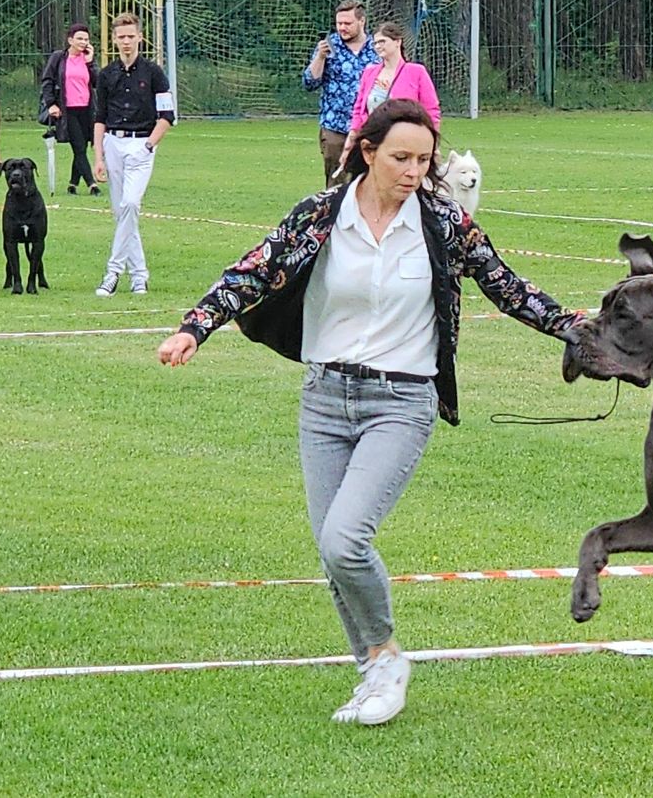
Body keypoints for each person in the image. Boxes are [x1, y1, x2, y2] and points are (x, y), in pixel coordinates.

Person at [156, 99, 584, 726]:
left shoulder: (442, 222)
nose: (414, 171)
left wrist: (577, 329)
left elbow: (508, 287)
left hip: (403, 400)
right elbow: (251, 272)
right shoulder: (320, 216)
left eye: (424, 160)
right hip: (325, 399)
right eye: (401, 158)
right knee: (334, 555)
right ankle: (374, 671)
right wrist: (195, 328)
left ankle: (385, 657)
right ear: (367, 152)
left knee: (344, 539)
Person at [92, 12, 175, 296]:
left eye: (130, 36)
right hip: (113, 143)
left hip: (141, 144)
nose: (126, 42)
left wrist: (149, 145)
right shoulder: (106, 75)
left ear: (140, 37)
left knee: (130, 204)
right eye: (121, 37)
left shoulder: (153, 73)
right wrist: (99, 156)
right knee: (122, 213)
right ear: (114, 40)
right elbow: (100, 117)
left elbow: (167, 115)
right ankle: (139, 275)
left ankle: (113, 272)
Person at [339, 21, 441, 170]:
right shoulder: (370, 73)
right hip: (375, 139)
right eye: (375, 43)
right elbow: (359, 109)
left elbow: (431, 109)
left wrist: (432, 141)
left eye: (382, 41)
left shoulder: (416, 72)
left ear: (397, 42)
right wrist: (351, 139)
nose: (378, 46)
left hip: (407, 140)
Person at [302, 0, 378, 187]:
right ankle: (335, 216)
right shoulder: (329, 46)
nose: (342, 28)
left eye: (347, 23)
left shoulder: (377, 47)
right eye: (339, 23)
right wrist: (320, 57)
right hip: (335, 126)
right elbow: (309, 83)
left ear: (362, 21)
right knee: (337, 183)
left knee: (369, 182)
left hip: (370, 127)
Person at [41, 23, 101, 196]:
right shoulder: (59, 57)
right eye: (80, 39)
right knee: (79, 146)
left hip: (87, 109)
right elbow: (47, 81)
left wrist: (90, 63)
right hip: (68, 110)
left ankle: (73, 183)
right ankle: (92, 184)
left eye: (86, 39)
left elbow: (98, 83)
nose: (83, 42)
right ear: (70, 40)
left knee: (81, 145)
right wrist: (52, 103)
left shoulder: (88, 59)